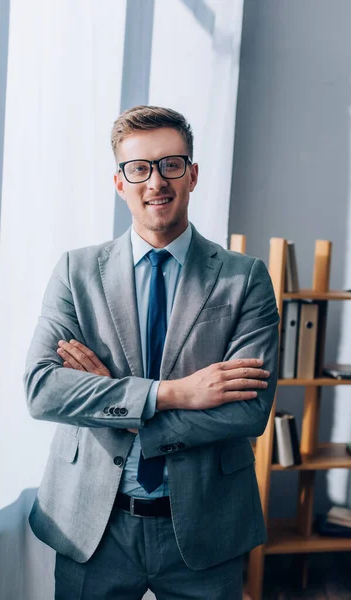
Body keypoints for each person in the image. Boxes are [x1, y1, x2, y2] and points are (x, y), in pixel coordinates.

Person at [24, 105, 279, 600]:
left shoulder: (244, 278)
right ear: (120, 183)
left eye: (170, 164)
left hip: (206, 527)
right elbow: (42, 391)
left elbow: (248, 411)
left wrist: (106, 400)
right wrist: (173, 394)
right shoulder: (76, 273)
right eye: (138, 168)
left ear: (193, 174)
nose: (155, 182)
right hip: (92, 527)